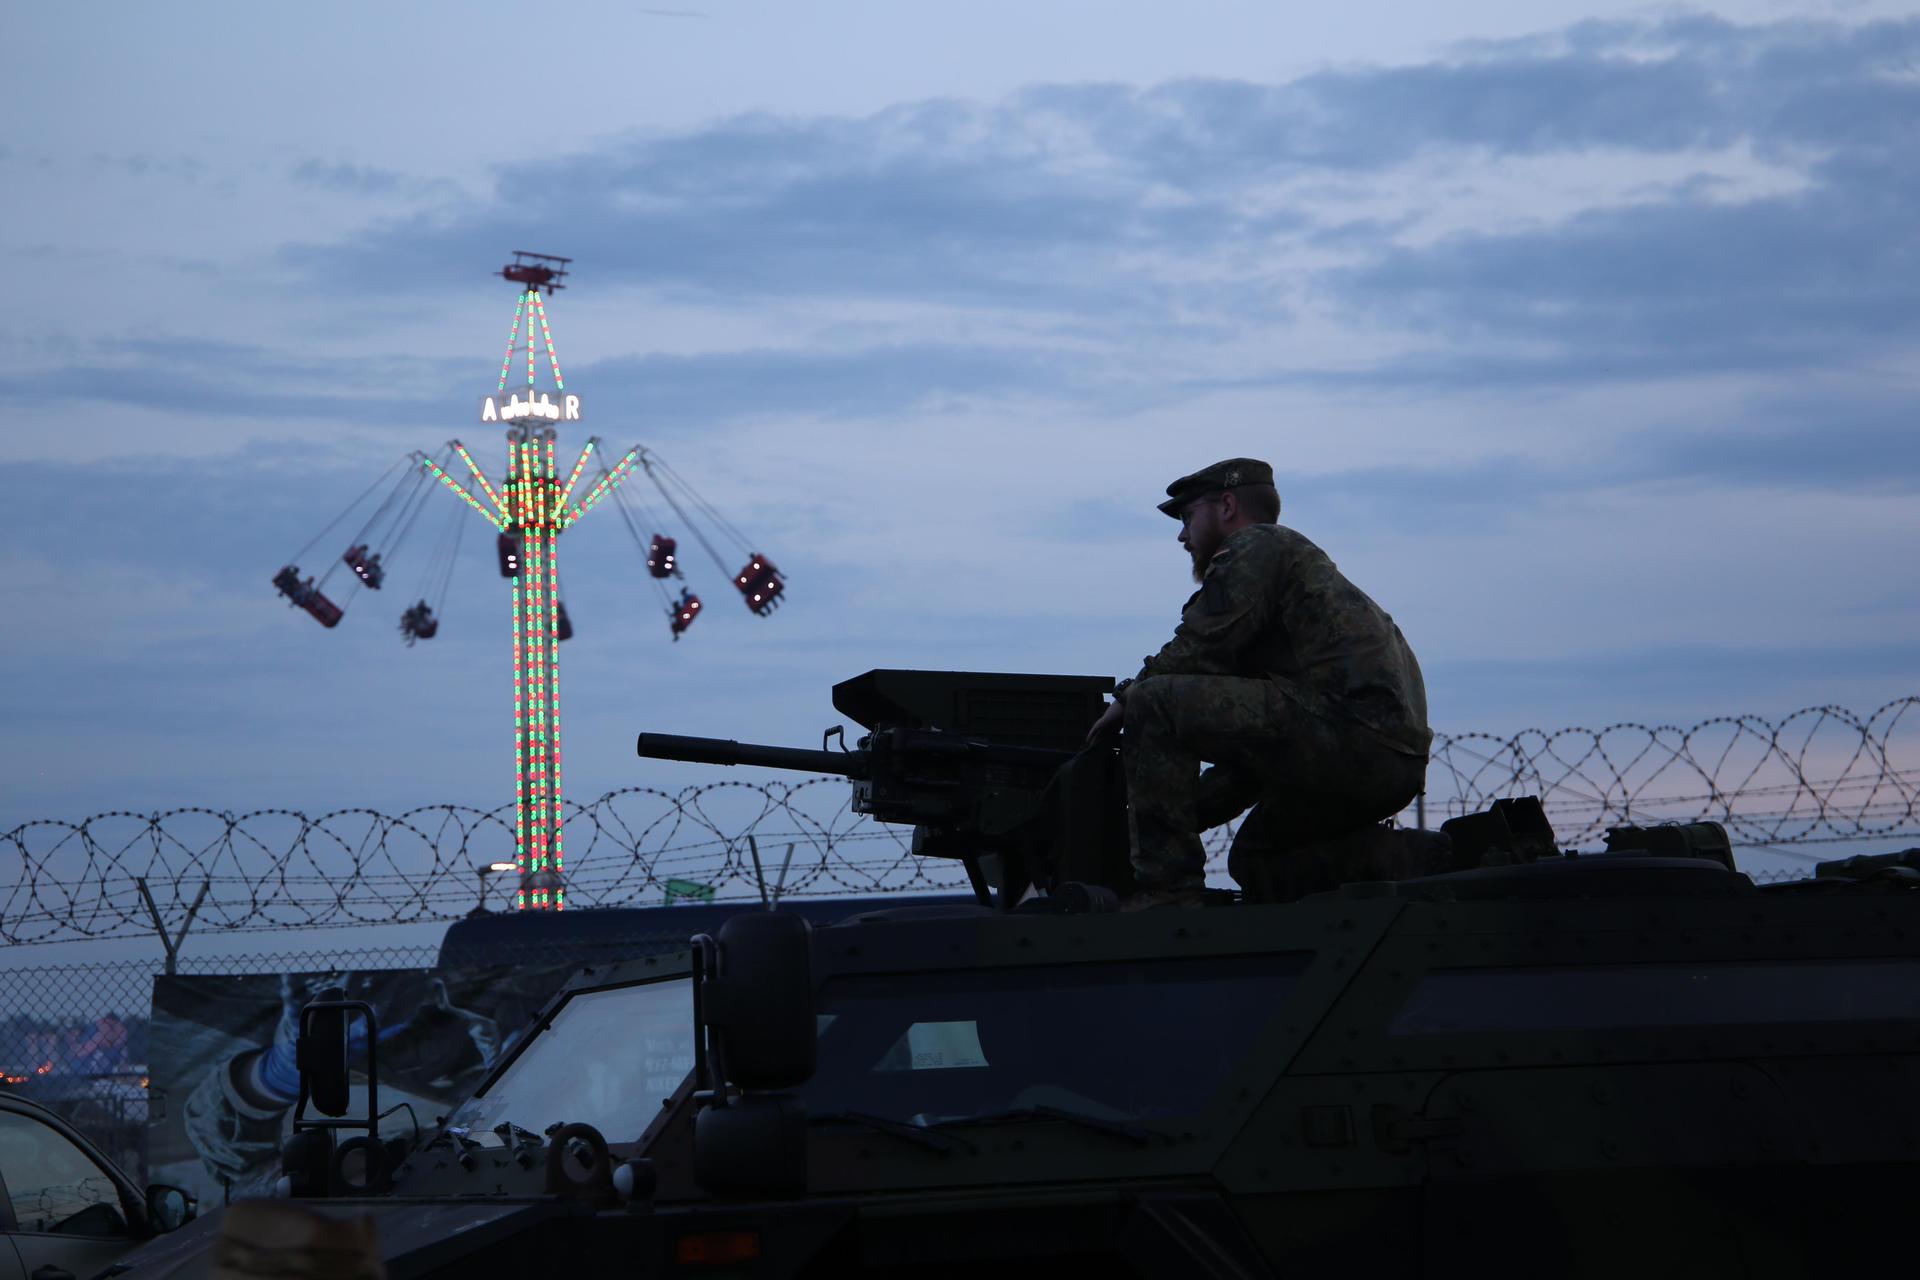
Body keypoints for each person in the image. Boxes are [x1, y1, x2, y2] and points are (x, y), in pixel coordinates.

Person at [1086, 458, 1431, 909]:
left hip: (1352, 737)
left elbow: (1198, 645)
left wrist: (1128, 700)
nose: (1182, 536)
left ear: (1227, 505)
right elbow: (1259, 751)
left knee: (1156, 700)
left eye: (1189, 517)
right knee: (1257, 857)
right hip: (1384, 763)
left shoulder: (1259, 544)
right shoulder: (1290, 586)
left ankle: (1168, 895)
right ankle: (1410, 860)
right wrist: (1160, 810)